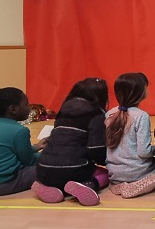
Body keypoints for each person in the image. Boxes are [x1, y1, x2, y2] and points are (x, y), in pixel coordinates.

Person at [33, 77, 110, 206]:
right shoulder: (96, 114)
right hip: (75, 168)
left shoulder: (63, 111)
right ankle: (89, 184)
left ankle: (47, 187)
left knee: (58, 174)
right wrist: (106, 162)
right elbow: (96, 148)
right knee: (105, 174)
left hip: (44, 168)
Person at [0, 87, 45, 196]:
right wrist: (48, 153)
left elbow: (9, 150)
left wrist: (35, 147)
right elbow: (29, 161)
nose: (29, 108)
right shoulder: (19, 130)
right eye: (26, 104)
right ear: (13, 109)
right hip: (3, 184)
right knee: (49, 166)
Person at [105, 72, 155, 198]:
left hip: (114, 173)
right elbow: (144, 152)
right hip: (138, 173)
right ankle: (135, 187)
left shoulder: (109, 114)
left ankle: (118, 185)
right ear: (140, 93)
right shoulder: (141, 116)